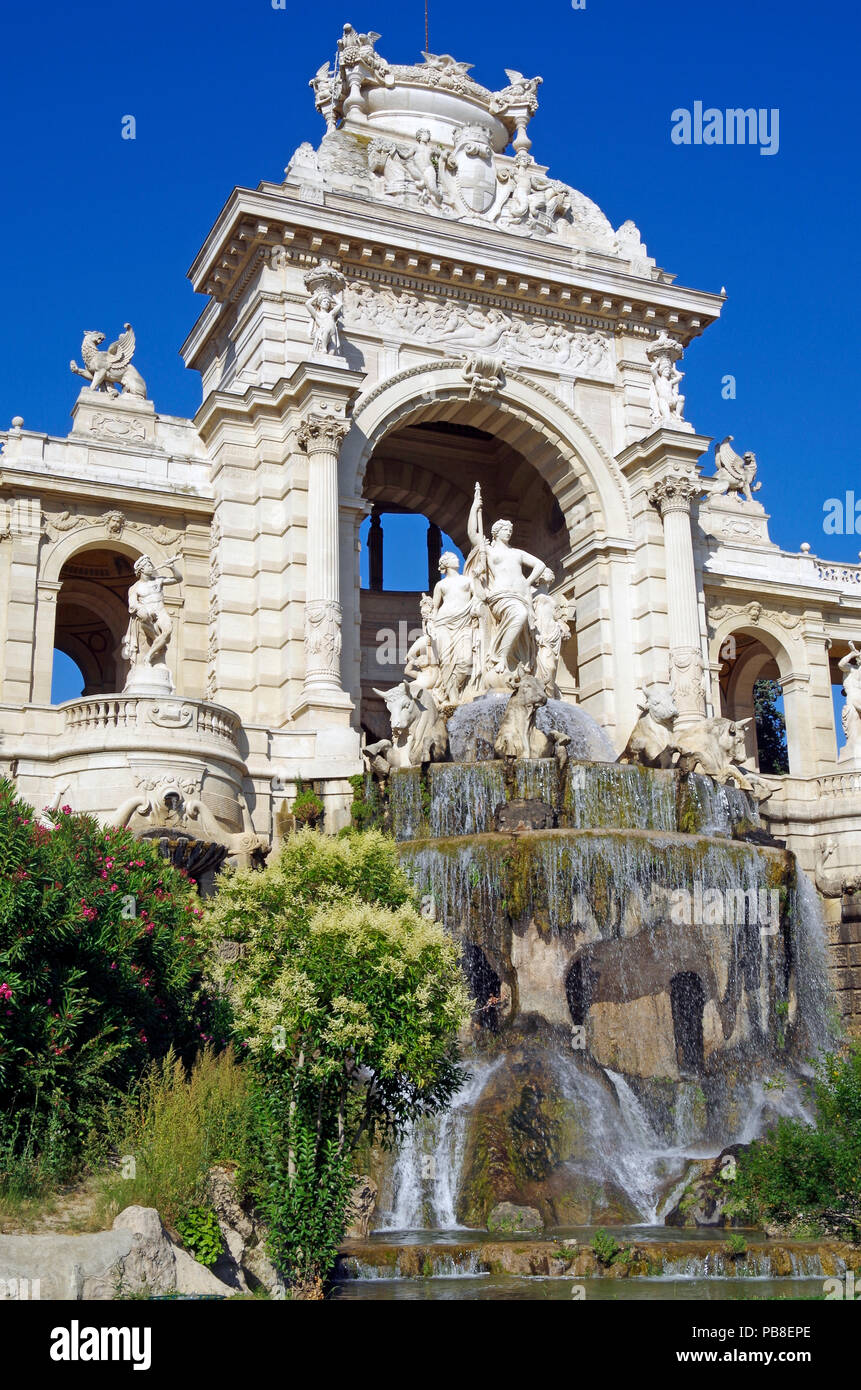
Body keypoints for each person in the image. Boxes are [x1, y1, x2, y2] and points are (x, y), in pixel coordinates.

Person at [466, 484, 545, 676]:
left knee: (522, 621)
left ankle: (511, 659)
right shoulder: (489, 550)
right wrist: (475, 507)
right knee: (519, 615)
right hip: (501, 595)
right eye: (504, 529)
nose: (508, 532)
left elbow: (540, 565)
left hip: (520, 594)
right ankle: (500, 656)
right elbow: (472, 534)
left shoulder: (517, 552)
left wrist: (527, 582)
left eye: (510, 529)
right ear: (496, 532)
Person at [122, 554, 182, 669]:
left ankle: (149, 656)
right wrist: (146, 610)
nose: (151, 567)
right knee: (160, 636)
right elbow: (133, 605)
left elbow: (178, 579)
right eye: (148, 565)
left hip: (161, 612)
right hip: (148, 617)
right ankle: (158, 646)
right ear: (141, 569)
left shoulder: (158, 581)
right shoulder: (135, 588)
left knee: (168, 631)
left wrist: (172, 567)